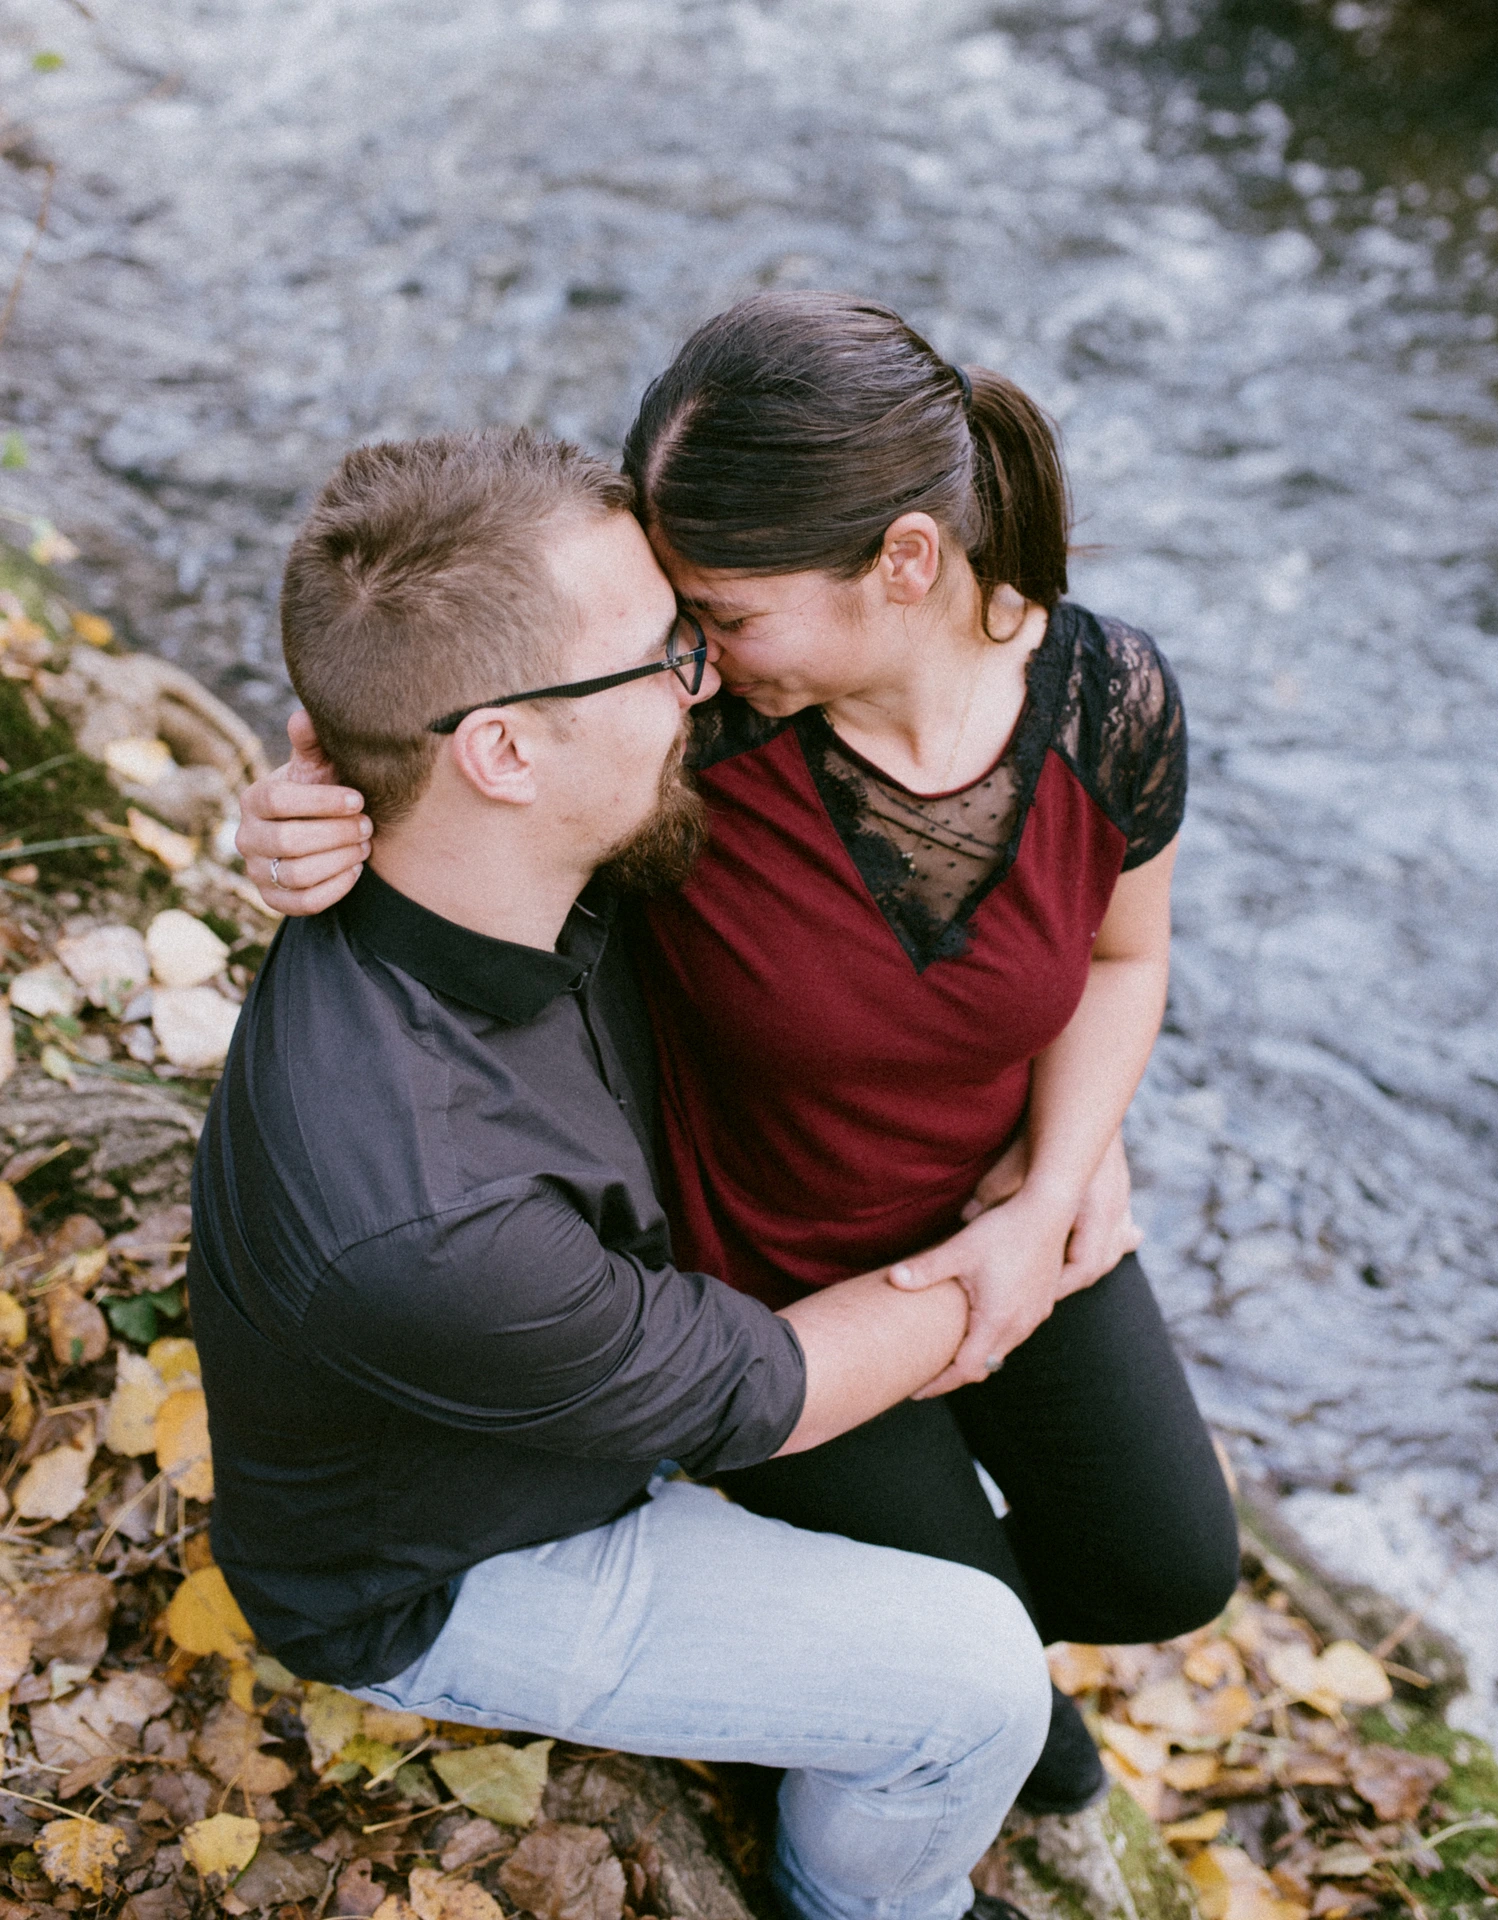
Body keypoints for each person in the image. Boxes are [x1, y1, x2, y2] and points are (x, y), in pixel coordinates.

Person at [236, 293, 1240, 1817]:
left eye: (727, 617)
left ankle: (944, 1676)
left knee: (1172, 1571)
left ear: (905, 563)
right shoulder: (690, 747)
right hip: (768, 1281)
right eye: (674, 629)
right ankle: (913, 1705)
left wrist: (1060, 1184)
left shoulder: (1111, 701)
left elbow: (1124, 954)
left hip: (999, 1208)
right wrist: (305, 804)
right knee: (1028, 1741)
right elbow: (473, 726)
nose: (692, 659)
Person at [193, 427, 1050, 1920]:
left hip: (594, 1363)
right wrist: (1017, 1255)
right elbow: (749, 1387)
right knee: (980, 1685)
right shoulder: (428, 1211)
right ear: (504, 750)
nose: (702, 687)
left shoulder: (500, 836)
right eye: (665, 656)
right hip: (467, 1556)